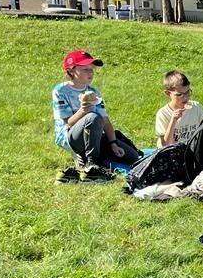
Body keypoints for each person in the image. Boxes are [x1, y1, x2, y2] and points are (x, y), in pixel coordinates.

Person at [52, 49, 141, 183]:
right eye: (85, 69)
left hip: (94, 134)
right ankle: (92, 165)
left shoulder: (93, 92)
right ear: (71, 71)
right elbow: (68, 123)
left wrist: (113, 143)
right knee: (93, 117)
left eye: (91, 69)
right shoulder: (60, 91)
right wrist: (83, 110)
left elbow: (105, 121)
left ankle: (91, 158)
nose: (90, 72)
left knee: (132, 156)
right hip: (70, 137)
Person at [154, 70, 203, 147]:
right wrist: (173, 120)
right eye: (179, 95)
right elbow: (166, 145)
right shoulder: (163, 114)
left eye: (187, 92)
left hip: (192, 149)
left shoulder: (197, 107)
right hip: (172, 151)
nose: (185, 97)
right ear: (168, 93)